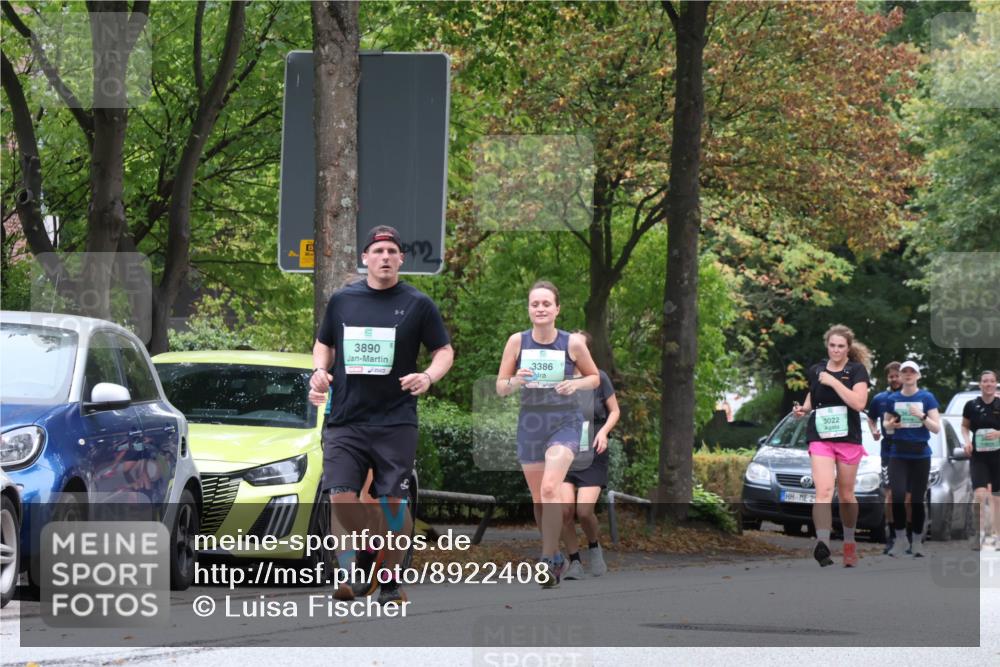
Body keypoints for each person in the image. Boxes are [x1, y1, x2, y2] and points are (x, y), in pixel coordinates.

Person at [309, 225, 454, 605]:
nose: (385, 257)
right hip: (345, 419)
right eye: (378, 251)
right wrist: (320, 372)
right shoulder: (343, 300)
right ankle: (357, 563)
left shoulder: (418, 304)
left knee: (393, 504)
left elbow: (444, 351)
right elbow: (323, 344)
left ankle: (388, 580)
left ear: (401, 259)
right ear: (365, 258)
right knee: (340, 497)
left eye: (392, 250)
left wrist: (428, 376)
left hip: (395, 421)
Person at [496, 281, 600, 588]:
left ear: (557, 309)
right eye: (534, 304)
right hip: (531, 424)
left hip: (564, 423)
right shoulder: (517, 341)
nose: (540, 309)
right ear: (529, 309)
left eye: (546, 304)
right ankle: (555, 558)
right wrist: (516, 380)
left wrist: (575, 384)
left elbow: (594, 378)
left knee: (552, 486)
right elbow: (501, 388)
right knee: (540, 498)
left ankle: (545, 559)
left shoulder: (572, 343)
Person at [792, 324, 871, 568]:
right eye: (832, 345)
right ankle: (822, 544)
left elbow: (858, 403)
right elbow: (813, 397)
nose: (835, 350)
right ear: (827, 346)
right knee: (823, 491)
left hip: (848, 439)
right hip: (820, 437)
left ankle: (849, 542)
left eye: (841, 346)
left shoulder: (856, 371)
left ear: (848, 349)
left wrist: (834, 382)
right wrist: (802, 409)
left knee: (846, 495)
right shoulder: (816, 370)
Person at [560, 331, 620, 580]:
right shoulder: (559, 379)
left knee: (584, 511)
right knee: (563, 511)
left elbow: (614, 411)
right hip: (564, 451)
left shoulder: (599, 378)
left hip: (593, 452)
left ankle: (594, 547)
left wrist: (604, 432)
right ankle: (574, 561)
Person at [882, 360, 941, 558]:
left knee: (916, 500)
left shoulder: (927, 397)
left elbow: (936, 428)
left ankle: (917, 542)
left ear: (918, 375)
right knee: (897, 496)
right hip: (898, 454)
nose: (908, 375)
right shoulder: (893, 398)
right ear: (899, 376)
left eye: (912, 372)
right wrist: (892, 425)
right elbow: (886, 425)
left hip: (920, 455)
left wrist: (922, 416)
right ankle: (900, 539)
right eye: (904, 372)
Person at [868, 361, 908, 554]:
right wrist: (874, 430)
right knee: (891, 495)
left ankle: (906, 536)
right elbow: (870, 417)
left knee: (908, 497)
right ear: (887, 378)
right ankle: (891, 536)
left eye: (897, 375)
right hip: (888, 451)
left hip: (910, 451)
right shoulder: (880, 399)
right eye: (891, 376)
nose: (894, 379)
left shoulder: (914, 397)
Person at [962, 370, 1000, 551]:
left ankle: (997, 536)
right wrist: (967, 441)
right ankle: (979, 534)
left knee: (997, 498)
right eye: (985, 381)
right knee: (979, 494)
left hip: (998, 456)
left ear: (996, 384)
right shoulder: (971, 405)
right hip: (979, 456)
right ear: (980, 384)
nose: (989, 384)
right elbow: (964, 426)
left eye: (992, 381)